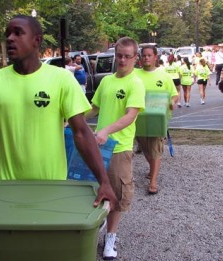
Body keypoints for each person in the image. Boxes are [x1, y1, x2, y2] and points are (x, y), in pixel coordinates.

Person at [0, 15, 117, 214]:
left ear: (37, 40)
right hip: (9, 187)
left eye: (18, 32)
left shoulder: (61, 79)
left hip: (53, 186)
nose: (10, 38)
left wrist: (104, 181)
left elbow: (82, 133)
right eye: (7, 34)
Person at [86, 37, 145, 260]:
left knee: (117, 195)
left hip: (119, 148)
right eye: (119, 55)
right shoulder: (107, 81)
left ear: (135, 58)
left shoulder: (135, 83)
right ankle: (96, 226)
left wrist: (106, 130)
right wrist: (72, 121)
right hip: (99, 146)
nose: (122, 60)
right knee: (95, 190)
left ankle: (110, 237)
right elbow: (93, 108)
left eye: (127, 56)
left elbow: (131, 115)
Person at [135, 45, 178, 195]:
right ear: (140, 58)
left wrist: (172, 102)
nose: (146, 58)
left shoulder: (164, 76)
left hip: (157, 120)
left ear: (155, 57)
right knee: (145, 148)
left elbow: (174, 94)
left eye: (149, 55)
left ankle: (153, 180)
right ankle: (152, 169)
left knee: (155, 148)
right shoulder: (134, 74)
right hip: (138, 119)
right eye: (144, 55)